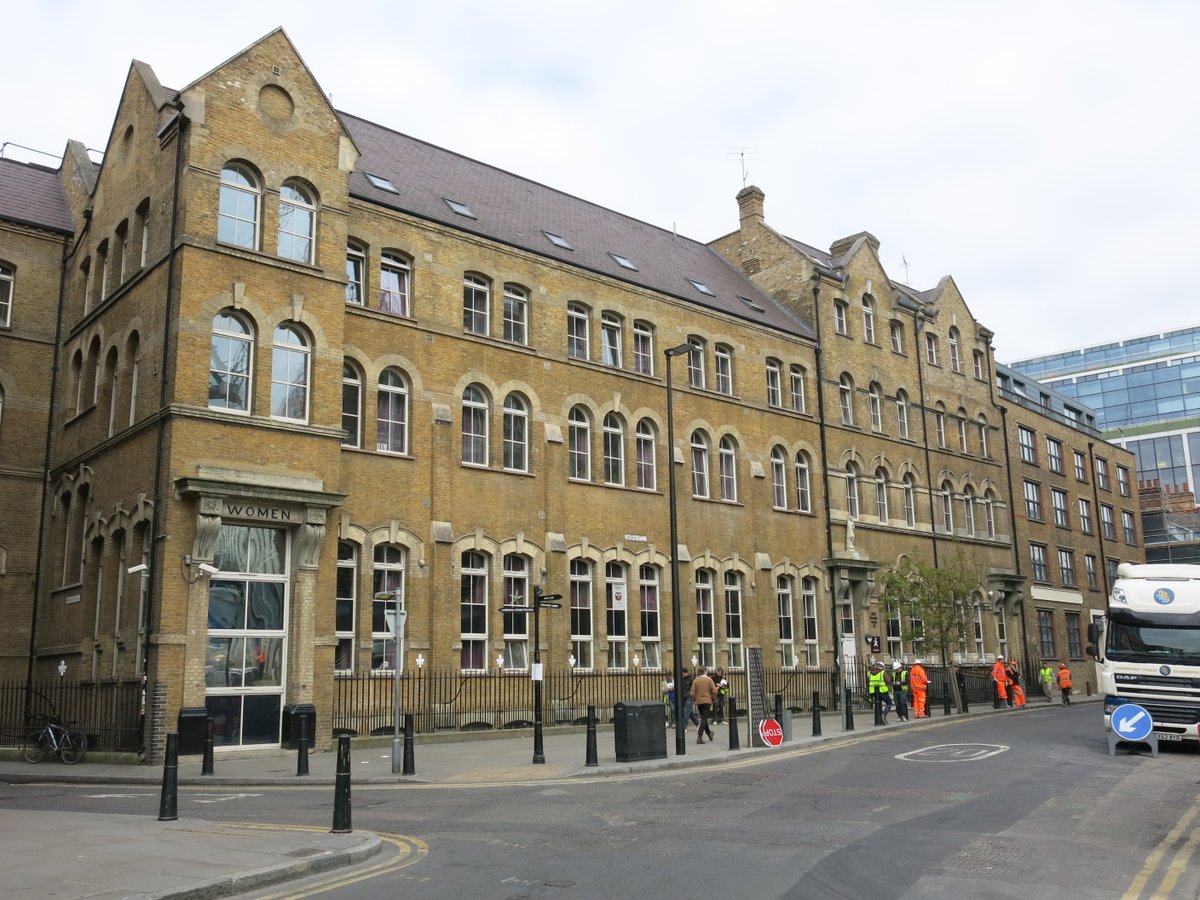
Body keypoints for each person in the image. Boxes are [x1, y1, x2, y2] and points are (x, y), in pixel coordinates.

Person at [690, 666, 717, 744]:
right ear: (706, 671)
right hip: (707, 701)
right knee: (704, 719)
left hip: (699, 702)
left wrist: (695, 699)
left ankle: (709, 733)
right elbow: (714, 691)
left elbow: (691, 693)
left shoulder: (695, 681)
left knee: (703, 718)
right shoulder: (709, 680)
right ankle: (699, 736)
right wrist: (712, 699)